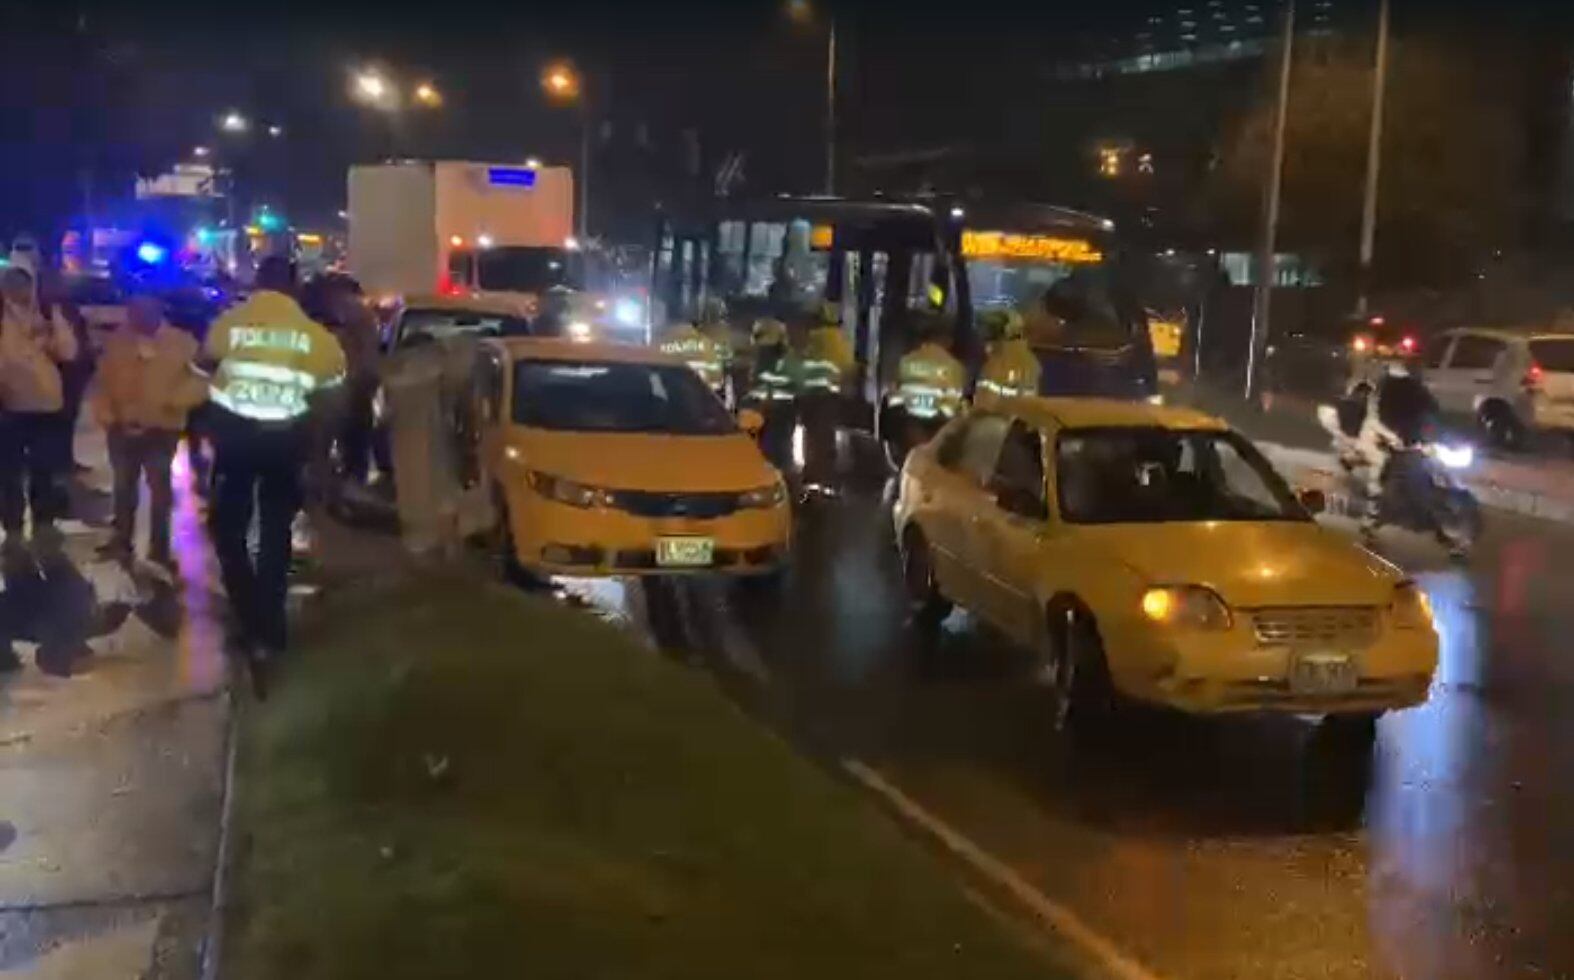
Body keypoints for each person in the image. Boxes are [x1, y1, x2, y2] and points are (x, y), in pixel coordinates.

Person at [200, 256, 345, 691]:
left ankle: (249, 612)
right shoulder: (316, 337)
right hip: (285, 443)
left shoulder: (230, 323)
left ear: (259, 280)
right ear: (294, 286)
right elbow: (330, 400)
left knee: (227, 528)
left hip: (236, 443)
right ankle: (270, 623)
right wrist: (320, 454)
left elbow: (204, 363)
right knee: (276, 531)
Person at [91, 292, 206, 570]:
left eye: (143, 312)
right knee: (123, 487)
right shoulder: (117, 342)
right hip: (121, 429)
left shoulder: (182, 344)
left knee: (160, 492)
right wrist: (109, 417)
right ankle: (121, 539)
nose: (136, 318)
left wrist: (170, 405)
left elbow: (200, 383)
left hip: (160, 430)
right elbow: (103, 383)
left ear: (158, 312)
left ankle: (160, 548)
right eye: (134, 312)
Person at [0, 251, 79, 554]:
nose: (15, 289)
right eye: (9, 282)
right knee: (8, 472)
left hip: (47, 406)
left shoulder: (46, 313)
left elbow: (69, 353)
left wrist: (53, 327)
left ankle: (44, 521)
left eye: (22, 282)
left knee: (43, 469)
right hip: (9, 408)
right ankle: (13, 525)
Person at [888, 312, 965, 460]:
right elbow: (954, 404)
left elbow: (895, 394)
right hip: (936, 426)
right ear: (946, 340)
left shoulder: (906, 360)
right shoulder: (954, 366)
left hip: (909, 422)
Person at [798, 301, 854, 494]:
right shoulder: (838, 339)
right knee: (825, 436)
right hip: (828, 396)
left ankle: (810, 472)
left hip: (807, 395)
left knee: (810, 434)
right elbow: (848, 367)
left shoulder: (809, 338)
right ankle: (826, 477)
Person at [741, 317, 800, 472]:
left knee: (770, 452)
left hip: (768, 410)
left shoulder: (761, 357)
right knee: (782, 451)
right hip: (783, 409)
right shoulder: (787, 356)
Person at [975, 309, 1040, 409]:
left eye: (986, 332)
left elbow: (985, 404)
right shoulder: (1029, 358)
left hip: (997, 419)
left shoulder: (1001, 361)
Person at [656, 318, 725, 394]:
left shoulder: (661, 343)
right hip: (698, 399)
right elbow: (716, 379)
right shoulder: (706, 343)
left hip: (671, 399)